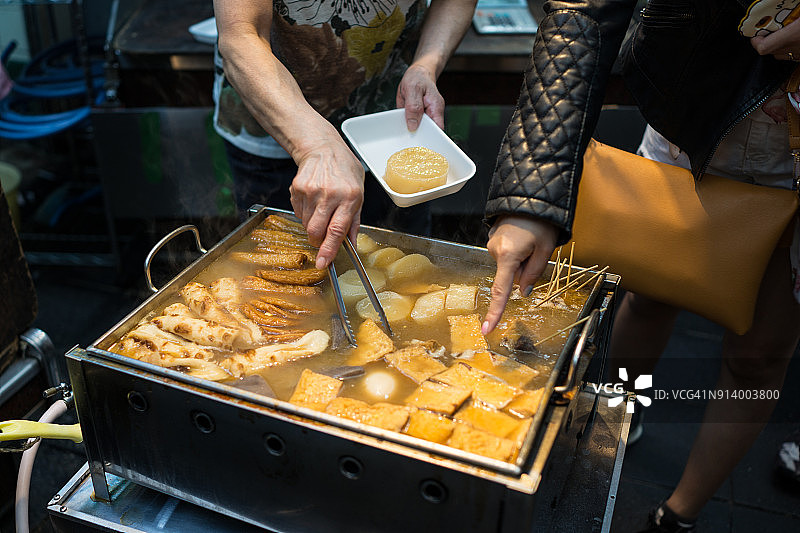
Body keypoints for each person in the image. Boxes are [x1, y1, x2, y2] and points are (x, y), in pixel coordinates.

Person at [480, 1, 800, 532]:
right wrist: (529, 197)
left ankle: (677, 516)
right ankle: (616, 418)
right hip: (694, 112)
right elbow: (584, 12)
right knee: (649, 290)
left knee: (760, 356)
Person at [212, 0, 476, 270]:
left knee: (399, 266)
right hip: (274, 119)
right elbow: (241, 36)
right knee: (281, 270)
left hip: (391, 129)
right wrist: (316, 145)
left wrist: (425, 64)